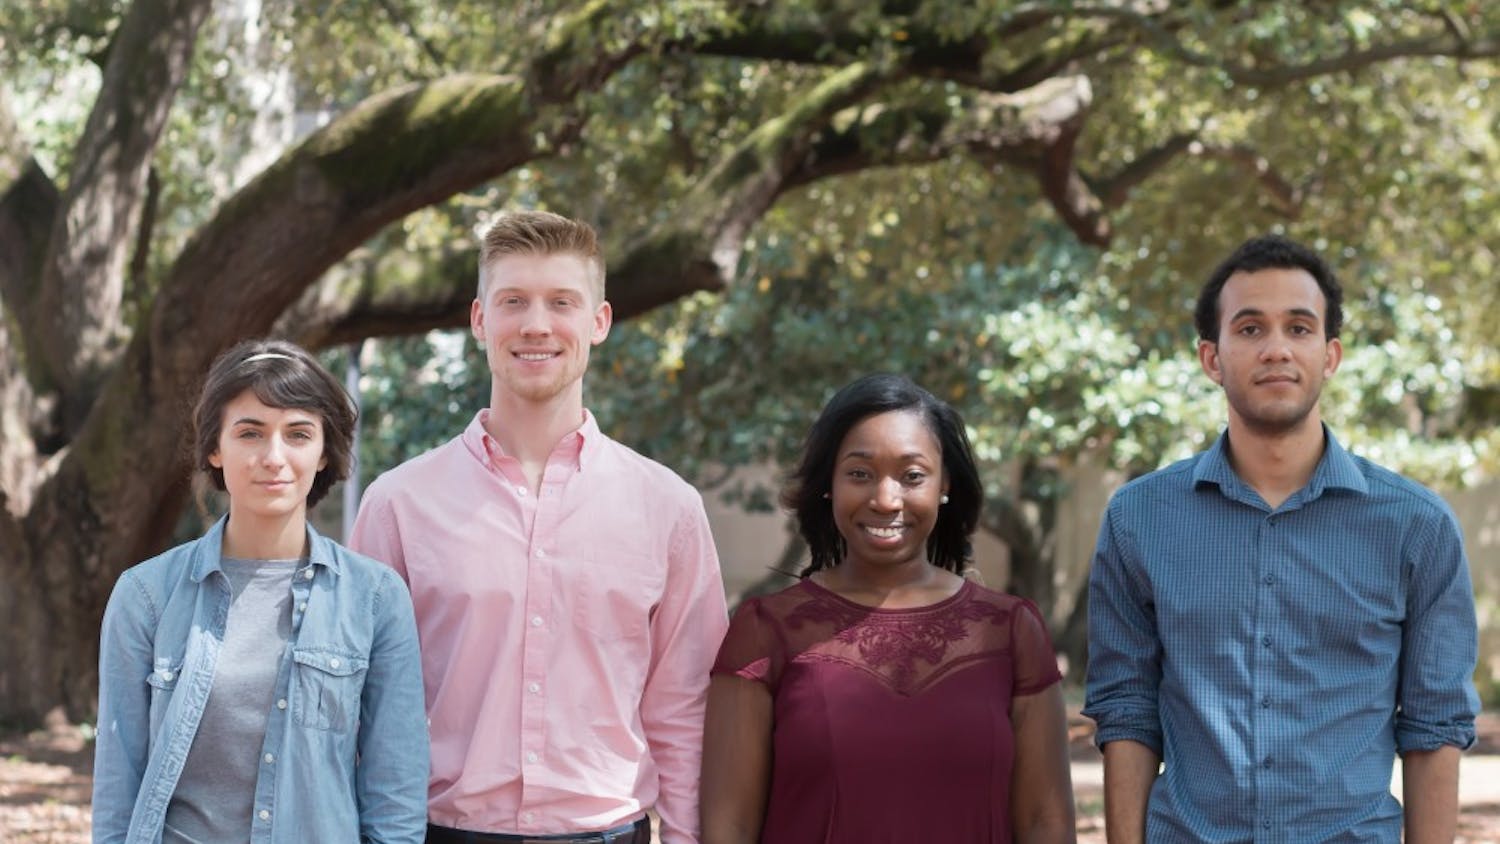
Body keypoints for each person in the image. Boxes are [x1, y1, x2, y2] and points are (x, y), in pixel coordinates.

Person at [1083, 234, 1480, 842]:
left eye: (1299, 328)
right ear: (1211, 359)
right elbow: (1126, 710)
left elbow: (1435, 726)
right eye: (1249, 329)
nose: (1276, 349)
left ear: (1331, 355)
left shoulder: (1416, 527)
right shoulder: (1140, 519)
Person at [350, 210, 728, 844]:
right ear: (479, 320)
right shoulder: (398, 505)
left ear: (598, 322)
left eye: (562, 302)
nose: (535, 325)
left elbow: (685, 710)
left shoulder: (668, 509)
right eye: (514, 301)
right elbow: (357, 707)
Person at [701, 373, 1077, 843]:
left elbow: (1046, 822)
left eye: (912, 476)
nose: (885, 499)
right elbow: (727, 828)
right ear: (829, 485)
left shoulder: (1010, 631)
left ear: (945, 486)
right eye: (859, 473)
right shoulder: (766, 631)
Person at [92, 338, 429, 844]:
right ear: (215, 447)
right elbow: (118, 787)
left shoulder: (376, 599)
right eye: (250, 433)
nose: (273, 457)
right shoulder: (146, 597)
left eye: (298, 434)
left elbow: (396, 795)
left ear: (322, 453)